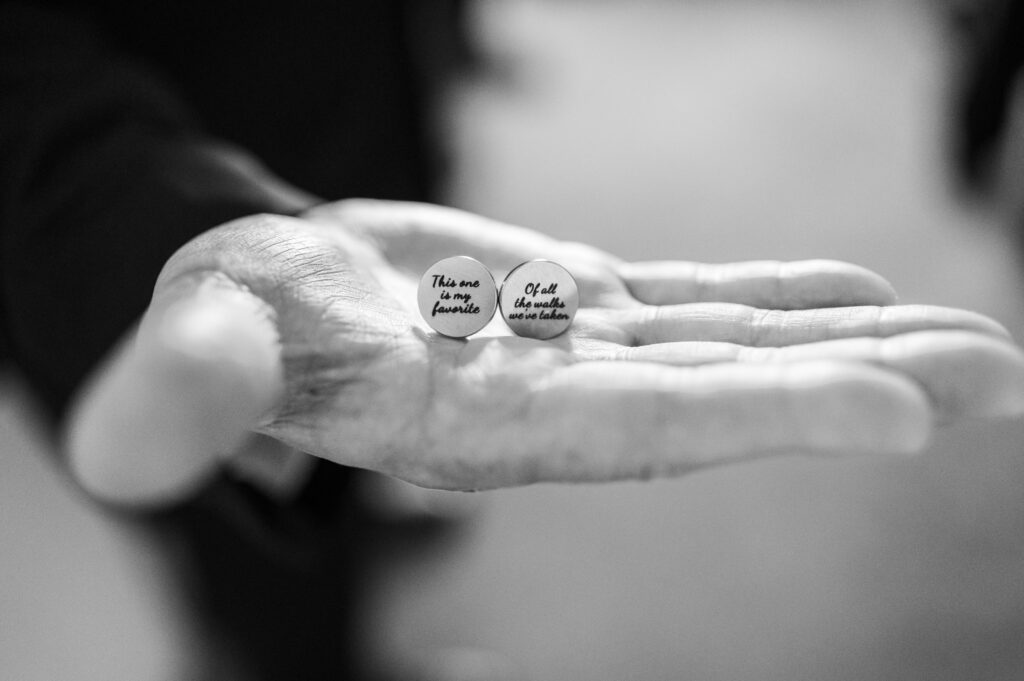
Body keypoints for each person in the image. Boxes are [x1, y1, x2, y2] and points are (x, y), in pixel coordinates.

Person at [4, 1, 1024, 678]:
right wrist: (125, 209)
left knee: (362, 422)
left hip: (359, 91)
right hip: (152, 149)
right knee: (259, 533)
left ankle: (361, 520)